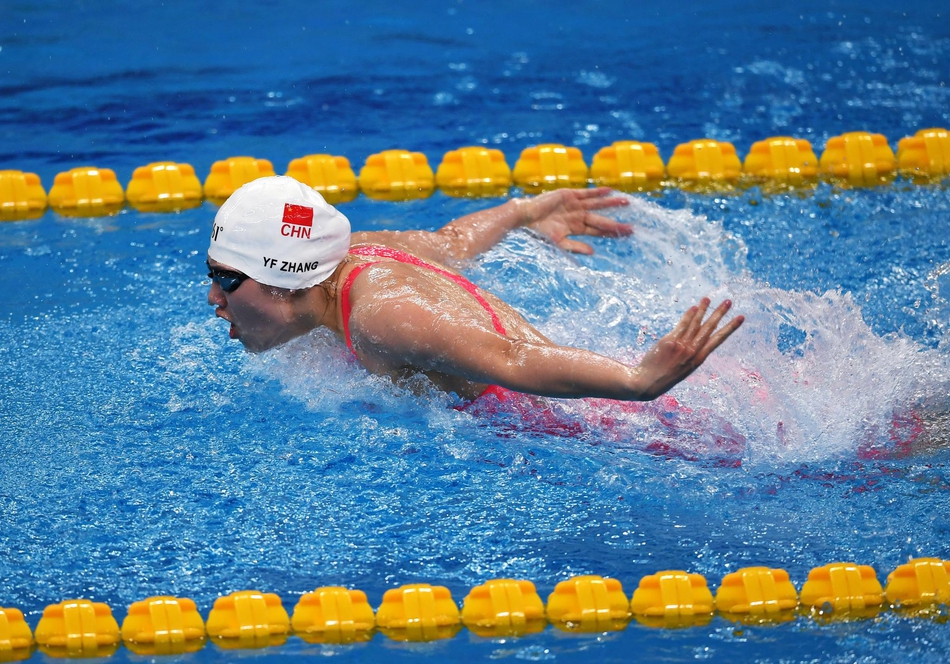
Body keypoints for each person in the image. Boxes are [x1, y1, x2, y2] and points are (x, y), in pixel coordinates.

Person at [207, 176, 743, 404]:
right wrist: (523, 211)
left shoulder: (383, 316)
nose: (214, 298)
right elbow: (451, 241)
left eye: (227, 279)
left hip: (597, 422)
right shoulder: (349, 256)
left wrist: (638, 381)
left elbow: (510, 358)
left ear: (285, 279)